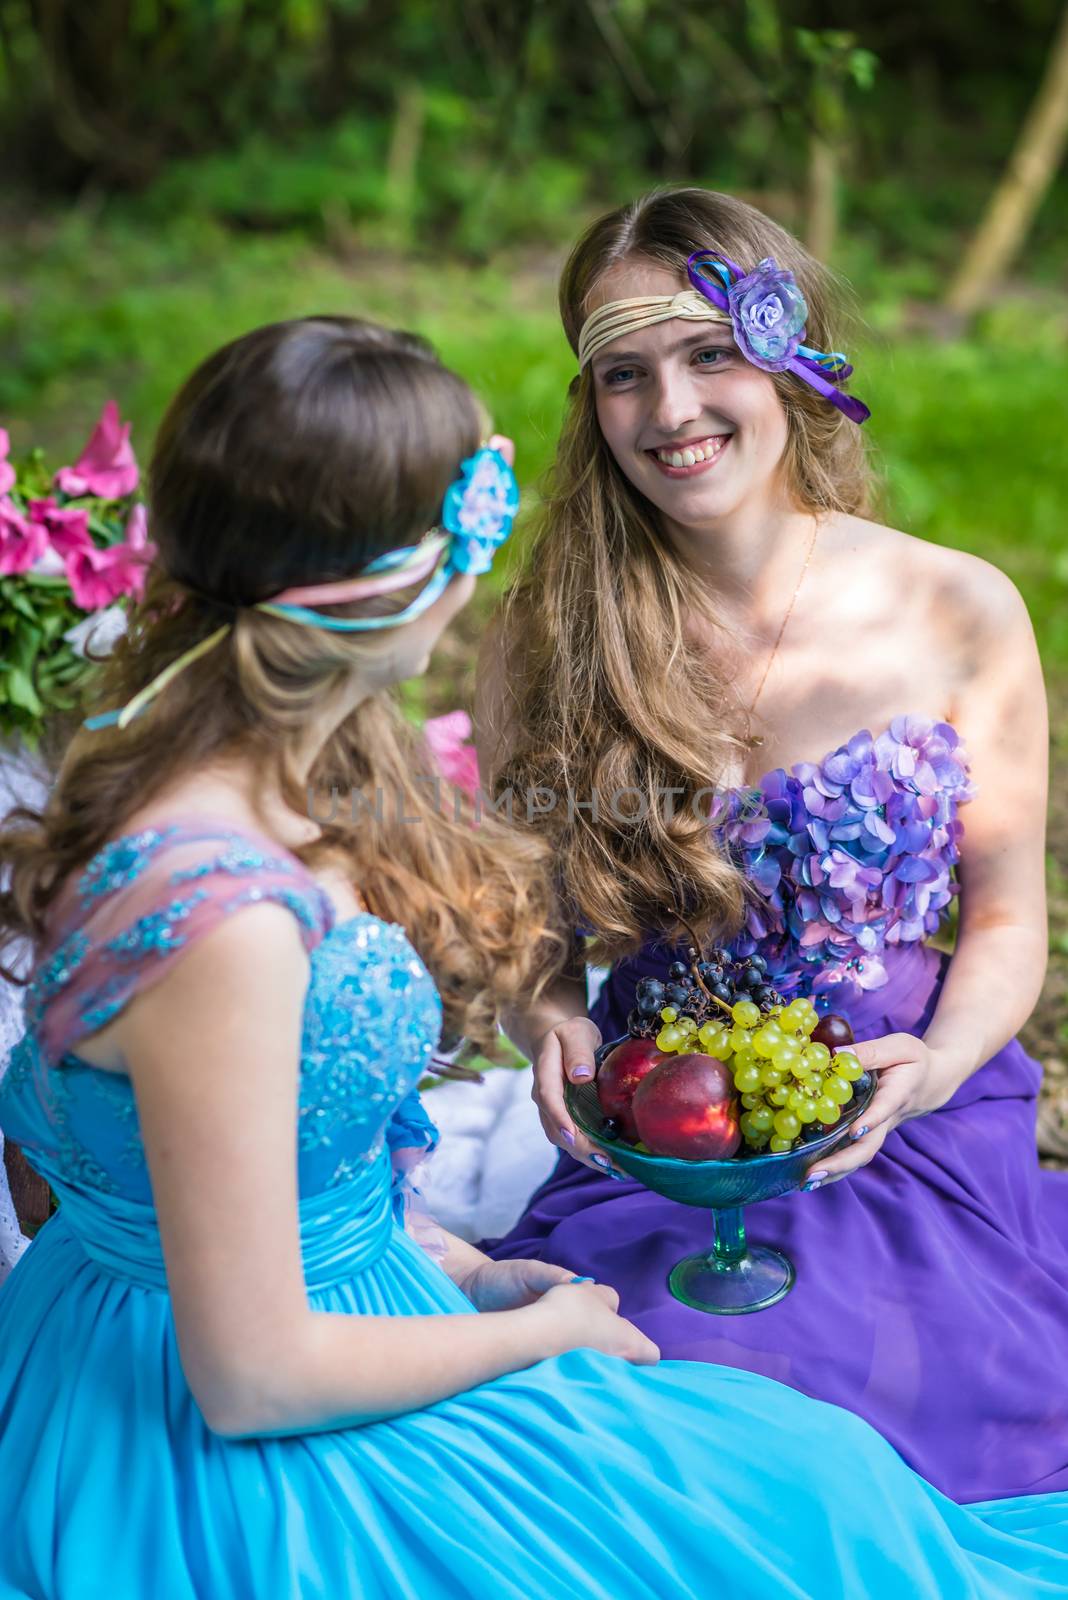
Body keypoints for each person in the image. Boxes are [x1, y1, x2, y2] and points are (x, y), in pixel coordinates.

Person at [2, 316, 1067, 1600]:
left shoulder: (229, 781)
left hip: (359, 1284)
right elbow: (251, 1372)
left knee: (818, 1482)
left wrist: (449, 1262)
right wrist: (539, 1333)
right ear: (418, 573)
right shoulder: (220, 914)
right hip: (228, 1420)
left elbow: (93, 1165)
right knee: (800, 1515)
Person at [477, 187, 1068, 1504]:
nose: (671, 411)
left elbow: (1012, 918)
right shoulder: (548, 634)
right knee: (620, 1425)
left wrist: (933, 1066)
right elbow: (522, 920)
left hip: (900, 1118)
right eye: (624, 375)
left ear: (787, 355)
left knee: (843, 1423)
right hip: (659, 1141)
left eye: (708, 357)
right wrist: (547, 1017)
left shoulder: (956, 607)